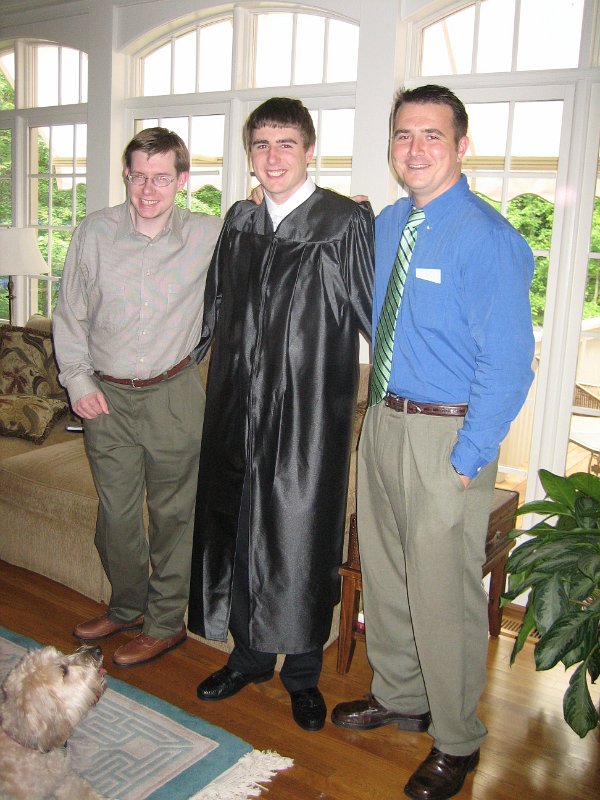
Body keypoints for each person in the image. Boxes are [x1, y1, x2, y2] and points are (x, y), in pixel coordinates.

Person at [331, 85, 534, 800]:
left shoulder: (487, 238)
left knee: (444, 594)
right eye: (403, 135)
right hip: (384, 421)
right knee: (386, 574)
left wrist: (470, 456)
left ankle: (456, 738)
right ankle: (401, 696)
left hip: (449, 435)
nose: (414, 149)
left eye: (432, 135)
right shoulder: (387, 224)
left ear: (461, 145)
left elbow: (509, 364)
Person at [188, 97, 374, 732]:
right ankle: (248, 658)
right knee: (238, 525)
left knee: (300, 536)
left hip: (308, 412)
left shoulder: (342, 222)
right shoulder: (241, 219)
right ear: (250, 154)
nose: (272, 157)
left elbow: (375, 317)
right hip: (236, 405)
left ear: (310, 150)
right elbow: (214, 308)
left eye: (286, 143)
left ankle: (302, 674)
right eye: (261, 145)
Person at [52, 127, 222, 667]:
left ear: (183, 180)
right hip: (105, 398)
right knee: (117, 516)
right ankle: (127, 606)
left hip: (174, 393)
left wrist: (348, 210)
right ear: (127, 175)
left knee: (174, 516)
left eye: (162, 178)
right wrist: (78, 381)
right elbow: (70, 312)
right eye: (140, 176)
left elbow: (274, 234)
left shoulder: (209, 233)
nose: (149, 190)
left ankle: (166, 623)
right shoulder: (94, 232)